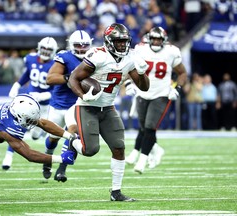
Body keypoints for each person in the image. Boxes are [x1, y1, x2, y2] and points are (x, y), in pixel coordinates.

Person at [68, 23, 150, 201]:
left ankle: (116, 192)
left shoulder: (130, 58)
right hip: (87, 107)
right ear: (109, 41)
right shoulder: (98, 56)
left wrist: (143, 73)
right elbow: (73, 78)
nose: (122, 45)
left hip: (108, 108)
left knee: (119, 147)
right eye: (118, 41)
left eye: (124, 41)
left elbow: (144, 87)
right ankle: (71, 142)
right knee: (90, 150)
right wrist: (83, 95)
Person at [124, 27, 187, 174]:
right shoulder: (140, 49)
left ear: (164, 40)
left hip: (161, 94)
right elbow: (128, 66)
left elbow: (182, 73)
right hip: (142, 92)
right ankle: (154, 150)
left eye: (159, 39)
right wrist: (128, 84)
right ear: (149, 39)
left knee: (150, 126)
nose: (156, 42)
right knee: (143, 127)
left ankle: (142, 160)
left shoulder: (171, 52)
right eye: (154, 39)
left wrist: (176, 88)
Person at [43, 30, 93, 182]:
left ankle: (61, 169)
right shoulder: (64, 57)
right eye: (78, 45)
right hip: (59, 104)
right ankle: (47, 158)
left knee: (73, 134)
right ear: (71, 45)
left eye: (85, 45)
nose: (81, 49)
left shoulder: (95, 56)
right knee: (53, 138)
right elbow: (50, 79)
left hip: (77, 103)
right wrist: (69, 78)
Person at [1, 37, 58, 170]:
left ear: (54, 51)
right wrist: (16, 85)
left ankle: (39, 133)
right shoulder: (31, 59)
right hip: (29, 101)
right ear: (39, 47)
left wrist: (43, 95)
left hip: (45, 105)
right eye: (44, 48)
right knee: (18, 128)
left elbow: (57, 88)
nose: (45, 51)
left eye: (49, 49)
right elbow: (26, 75)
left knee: (35, 134)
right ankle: (8, 156)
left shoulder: (56, 64)